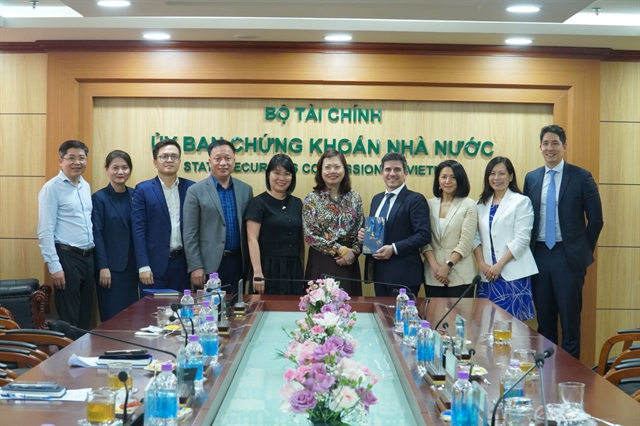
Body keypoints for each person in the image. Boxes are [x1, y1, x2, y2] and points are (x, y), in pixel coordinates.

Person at [523, 125, 603, 359]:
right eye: (545, 143)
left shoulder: (582, 177)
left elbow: (596, 220)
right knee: (545, 324)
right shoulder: (531, 178)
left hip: (568, 257)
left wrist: (581, 253)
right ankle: (547, 373)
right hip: (539, 255)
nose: (550, 148)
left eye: (555, 143)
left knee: (570, 324)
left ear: (564, 146)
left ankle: (570, 376)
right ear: (540, 147)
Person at [37, 140, 95, 334]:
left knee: (85, 315)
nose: (77, 162)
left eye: (81, 158)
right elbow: (45, 230)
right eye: (71, 158)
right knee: (69, 318)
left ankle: (82, 352)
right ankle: (68, 353)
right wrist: (54, 266)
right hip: (66, 257)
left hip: (88, 257)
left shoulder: (85, 186)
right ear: (61, 160)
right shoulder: (52, 188)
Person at [183, 140, 253, 297]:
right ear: (209, 161)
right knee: (210, 308)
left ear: (234, 160)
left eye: (227, 158)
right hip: (209, 265)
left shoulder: (245, 190)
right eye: (217, 158)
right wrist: (196, 266)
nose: (223, 163)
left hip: (238, 262)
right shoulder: (195, 191)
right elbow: (189, 233)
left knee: (237, 306)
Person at [473, 157, 538, 321]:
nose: (496, 178)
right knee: (485, 324)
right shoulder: (480, 204)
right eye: (492, 173)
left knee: (511, 325)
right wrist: (481, 264)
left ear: (510, 176)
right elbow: (475, 237)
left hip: (512, 273)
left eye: (501, 173)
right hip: (487, 274)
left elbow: (522, 239)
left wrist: (499, 265)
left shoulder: (521, 201)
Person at [359, 152, 431, 297]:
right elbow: (376, 231)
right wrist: (364, 236)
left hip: (404, 276)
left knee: (401, 312)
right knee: (380, 311)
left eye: (397, 169)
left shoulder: (415, 199)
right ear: (381, 173)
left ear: (405, 173)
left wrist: (394, 248)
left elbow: (424, 235)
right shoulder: (377, 199)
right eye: (388, 169)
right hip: (379, 274)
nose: (392, 173)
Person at [131, 139, 194, 292]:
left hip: (182, 265)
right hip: (153, 266)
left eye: (174, 156)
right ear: (155, 162)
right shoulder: (143, 190)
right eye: (164, 156)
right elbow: (138, 230)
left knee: (181, 306)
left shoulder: (191, 188)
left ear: (179, 161)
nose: (169, 160)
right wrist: (143, 265)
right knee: (151, 307)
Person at [302, 149, 364, 296]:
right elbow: (309, 236)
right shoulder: (312, 199)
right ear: (320, 171)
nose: (332, 171)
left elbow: (361, 229)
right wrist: (340, 250)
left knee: (350, 305)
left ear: (344, 169)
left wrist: (354, 252)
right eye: (327, 167)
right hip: (321, 259)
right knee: (320, 305)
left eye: (337, 167)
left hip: (349, 261)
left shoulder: (354, 197)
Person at [245, 154, 304, 295]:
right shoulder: (258, 203)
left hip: (293, 269)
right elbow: (252, 239)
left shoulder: (297, 203)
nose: (282, 178)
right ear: (268, 175)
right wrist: (257, 272)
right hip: (267, 268)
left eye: (287, 174)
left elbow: (300, 240)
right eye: (277, 173)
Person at [91, 150, 138, 322]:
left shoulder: (135, 195)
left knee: (133, 316)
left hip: (133, 268)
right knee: (112, 316)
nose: (120, 172)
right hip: (110, 270)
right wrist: (103, 267)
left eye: (125, 168)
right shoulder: (99, 198)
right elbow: (97, 234)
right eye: (115, 168)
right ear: (107, 170)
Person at [422, 160, 477, 298]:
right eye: (444, 177)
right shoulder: (428, 204)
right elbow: (424, 240)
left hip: (460, 274)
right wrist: (437, 268)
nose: (448, 181)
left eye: (453, 177)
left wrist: (447, 266)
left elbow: (466, 242)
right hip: (433, 275)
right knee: (434, 312)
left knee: (461, 313)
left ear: (460, 180)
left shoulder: (468, 204)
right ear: (438, 180)